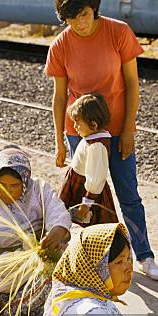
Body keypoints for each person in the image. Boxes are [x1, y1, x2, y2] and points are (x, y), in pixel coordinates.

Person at [45, 0, 158, 280]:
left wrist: (127, 131)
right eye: (70, 18)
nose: (79, 23)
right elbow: (59, 97)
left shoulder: (118, 32)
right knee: (88, 198)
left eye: (83, 14)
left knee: (128, 195)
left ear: (94, 9)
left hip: (116, 131)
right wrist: (60, 141)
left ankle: (145, 256)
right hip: (80, 134)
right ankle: (96, 259)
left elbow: (133, 84)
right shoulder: (60, 44)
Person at [59, 93, 118, 226]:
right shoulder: (91, 139)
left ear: (93, 125)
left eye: (78, 123)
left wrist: (86, 203)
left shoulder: (97, 146)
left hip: (86, 191)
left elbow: (96, 177)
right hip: (78, 184)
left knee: (92, 225)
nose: (75, 127)